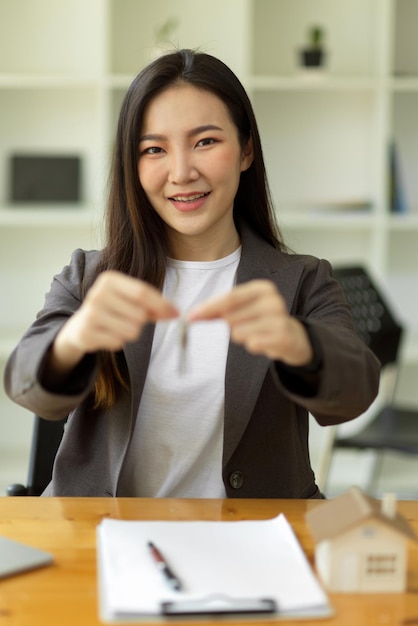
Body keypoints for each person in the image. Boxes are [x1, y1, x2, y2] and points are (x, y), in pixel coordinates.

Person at [4, 49, 380, 498]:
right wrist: (74, 339)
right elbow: (24, 383)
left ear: (246, 150)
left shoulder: (302, 280)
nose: (181, 173)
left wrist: (298, 343)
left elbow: (357, 390)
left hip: (253, 536)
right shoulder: (90, 276)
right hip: (101, 534)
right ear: (133, 165)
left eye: (205, 142)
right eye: (154, 149)